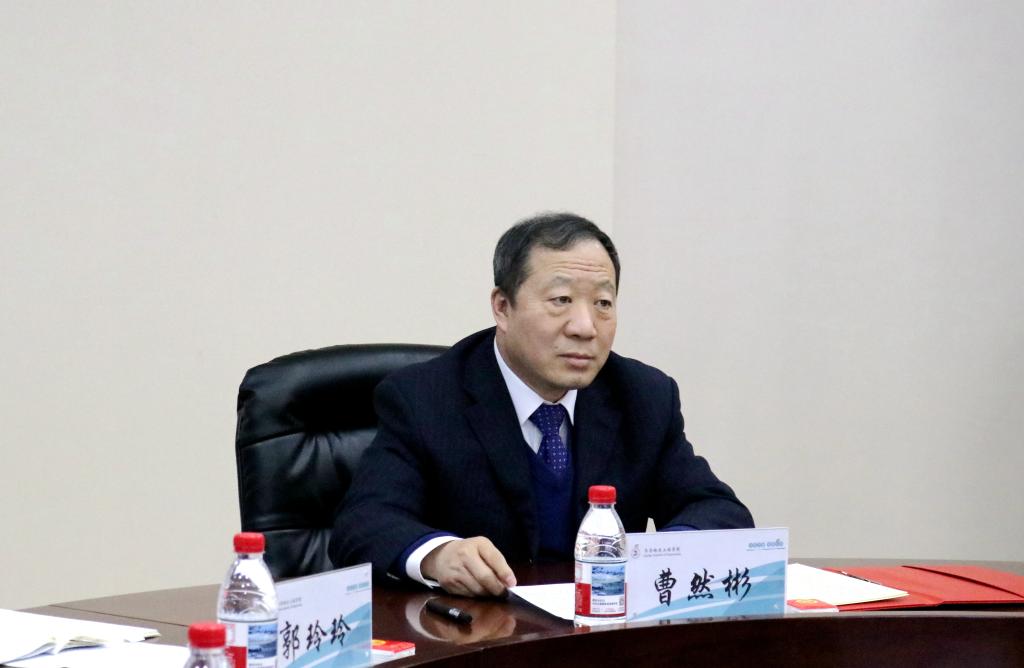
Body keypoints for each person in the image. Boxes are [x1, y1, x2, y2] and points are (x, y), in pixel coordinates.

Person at [329, 213, 753, 597]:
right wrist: (438, 555)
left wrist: (664, 556)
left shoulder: (643, 395)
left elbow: (718, 511)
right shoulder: (425, 397)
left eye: (603, 304)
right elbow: (364, 523)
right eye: (561, 300)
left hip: (603, 633)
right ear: (503, 308)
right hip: (482, 636)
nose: (585, 327)